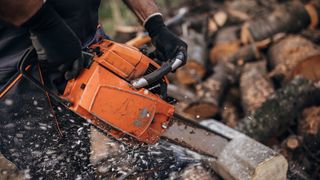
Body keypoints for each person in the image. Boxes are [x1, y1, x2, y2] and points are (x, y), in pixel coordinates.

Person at [0, 0, 187, 179]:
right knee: (59, 169)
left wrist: (154, 22)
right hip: (20, 71)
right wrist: (44, 25)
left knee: (142, 127)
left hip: (87, 40)